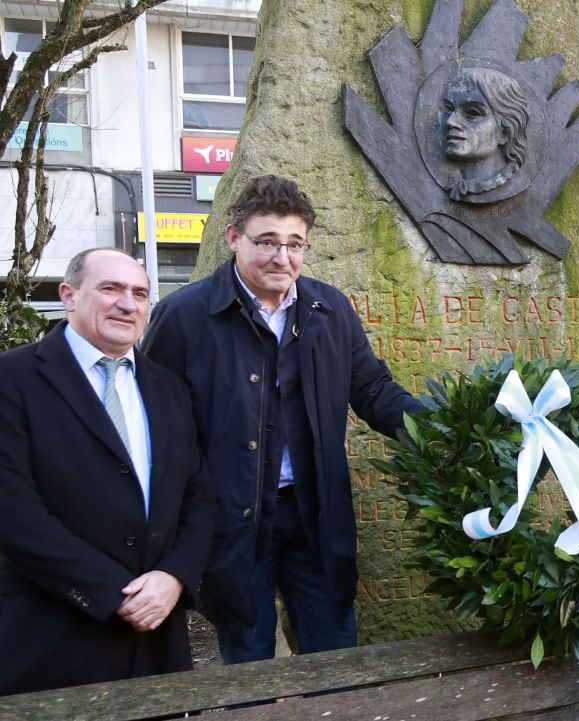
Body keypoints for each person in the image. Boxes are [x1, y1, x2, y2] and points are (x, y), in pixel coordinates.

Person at [142, 175, 424, 664]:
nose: (282, 257)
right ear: (234, 238)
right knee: (249, 665)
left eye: (295, 244)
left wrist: (444, 428)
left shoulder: (329, 308)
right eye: (267, 242)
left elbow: (374, 391)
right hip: (232, 519)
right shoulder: (183, 316)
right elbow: (158, 430)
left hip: (315, 514)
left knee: (335, 657)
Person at [0, 249, 214, 694]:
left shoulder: (169, 388)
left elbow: (198, 498)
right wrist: (113, 591)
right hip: (53, 636)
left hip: (157, 641)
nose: (127, 303)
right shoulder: (12, 380)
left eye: (139, 293)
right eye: (110, 288)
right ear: (69, 296)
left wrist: (174, 576)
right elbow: (13, 510)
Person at [438, 67, 529, 200]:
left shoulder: (517, 188)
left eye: (472, 113)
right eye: (449, 110)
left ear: (504, 132)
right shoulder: (454, 186)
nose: (450, 122)